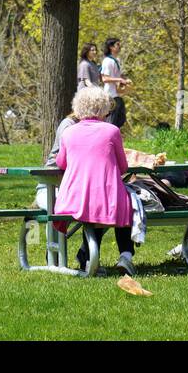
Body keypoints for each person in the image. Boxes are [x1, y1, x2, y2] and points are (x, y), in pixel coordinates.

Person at [54, 86, 137, 275]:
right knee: (128, 200)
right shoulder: (111, 131)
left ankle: (88, 258)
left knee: (93, 206)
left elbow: (61, 162)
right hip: (106, 197)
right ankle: (125, 254)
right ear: (103, 108)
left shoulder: (69, 132)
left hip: (73, 197)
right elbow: (123, 167)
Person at [100, 37, 132, 128]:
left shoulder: (117, 60)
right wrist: (119, 80)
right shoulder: (107, 61)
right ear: (111, 47)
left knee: (121, 119)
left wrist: (124, 80)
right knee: (111, 121)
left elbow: (118, 75)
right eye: (117, 44)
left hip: (117, 95)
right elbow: (105, 79)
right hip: (110, 95)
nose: (119, 46)